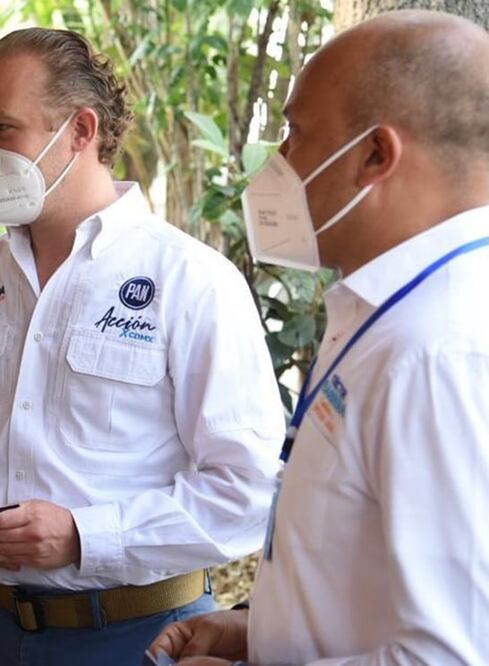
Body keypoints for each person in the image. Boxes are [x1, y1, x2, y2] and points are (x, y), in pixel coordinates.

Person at [0, 28, 285, 665]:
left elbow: (244, 490)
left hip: (136, 631)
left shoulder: (189, 280)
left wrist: (85, 538)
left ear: (80, 131)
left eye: (3, 129)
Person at [150, 10, 489, 666]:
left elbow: (454, 653)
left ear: (373, 155)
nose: (273, 162)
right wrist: (263, 632)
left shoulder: (435, 350)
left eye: (294, 131)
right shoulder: (393, 310)